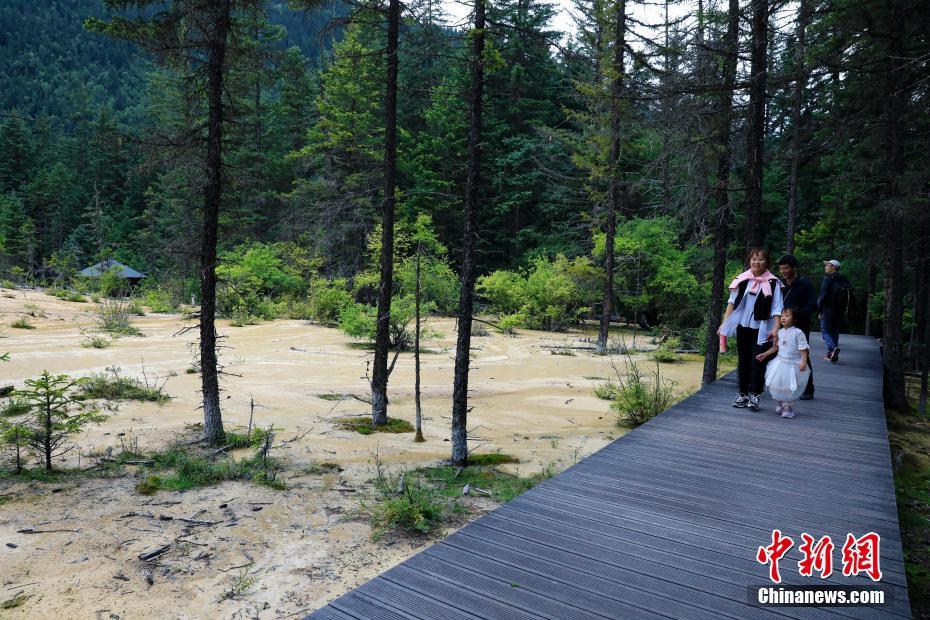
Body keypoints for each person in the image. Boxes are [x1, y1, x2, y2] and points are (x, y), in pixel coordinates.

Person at [719, 248, 783, 411]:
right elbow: (731, 303)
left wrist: (776, 328)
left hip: (763, 328)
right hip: (743, 326)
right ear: (749, 261)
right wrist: (724, 324)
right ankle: (742, 394)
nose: (757, 262)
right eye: (754, 259)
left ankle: (755, 395)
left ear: (766, 262)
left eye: (761, 259)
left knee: (758, 360)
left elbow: (777, 308)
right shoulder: (742, 279)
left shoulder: (773, 283)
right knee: (743, 360)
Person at [755, 306, 811, 419]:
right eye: (782, 316)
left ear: (794, 319)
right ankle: (780, 402)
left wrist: (803, 361)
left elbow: (803, 348)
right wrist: (765, 354)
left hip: (792, 364)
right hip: (780, 362)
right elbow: (776, 347)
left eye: (787, 316)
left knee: (789, 386)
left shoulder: (798, 333)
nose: (783, 318)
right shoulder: (780, 332)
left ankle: (788, 408)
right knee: (777, 383)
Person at [777, 254, 817, 399]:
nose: (783, 271)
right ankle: (782, 385)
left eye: (786, 268)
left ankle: (808, 389)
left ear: (794, 268)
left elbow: (813, 305)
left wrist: (796, 314)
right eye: (781, 268)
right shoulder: (780, 284)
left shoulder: (805, 284)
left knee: (802, 354)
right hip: (782, 326)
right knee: (782, 354)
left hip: (800, 326)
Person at [818, 259, 851, 363]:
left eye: (827, 265)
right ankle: (831, 355)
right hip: (840, 310)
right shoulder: (843, 279)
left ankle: (832, 348)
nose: (825, 267)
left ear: (833, 267)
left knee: (825, 330)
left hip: (828, 309)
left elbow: (823, 296)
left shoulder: (828, 279)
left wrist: (820, 310)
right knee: (834, 331)